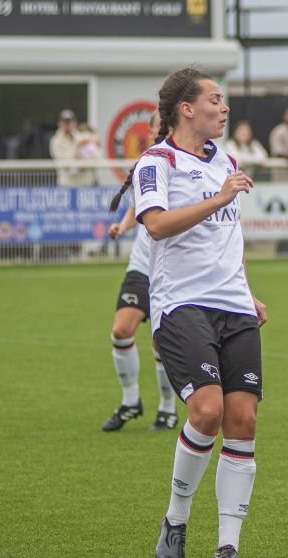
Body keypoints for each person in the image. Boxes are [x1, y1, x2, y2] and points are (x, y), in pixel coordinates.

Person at [109, 66, 267, 558]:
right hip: (182, 305)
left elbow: (230, 238)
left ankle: (227, 548)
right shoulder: (157, 161)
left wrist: (248, 291)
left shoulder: (225, 158)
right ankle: (176, 519)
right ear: (187, 109)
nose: (224, 109)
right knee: (207, 410)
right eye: (216, 101)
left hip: (234, 306)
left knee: (242, 422)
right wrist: (219, 197)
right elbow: (154, 225)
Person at [101, 111, 177, 433]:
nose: (154, 129)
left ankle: (167, 408)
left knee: (162, 343)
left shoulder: (184, 161)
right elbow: (138, 203)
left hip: (173, 268)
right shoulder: (148, 160)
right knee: (121, 330)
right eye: (153, 123)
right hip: (141, 264)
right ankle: (131, 400)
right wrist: (124, 224)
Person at [49, 109, 98, 186]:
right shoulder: (56, 141)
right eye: (65, 122)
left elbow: (95, 156)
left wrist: (93, 141)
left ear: (75, 123)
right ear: (59, 124)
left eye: (70, 122)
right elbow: (64, 164)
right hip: (67, 185)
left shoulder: (81, 135)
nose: (68, 125)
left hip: (86, 184)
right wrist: (77, 146)